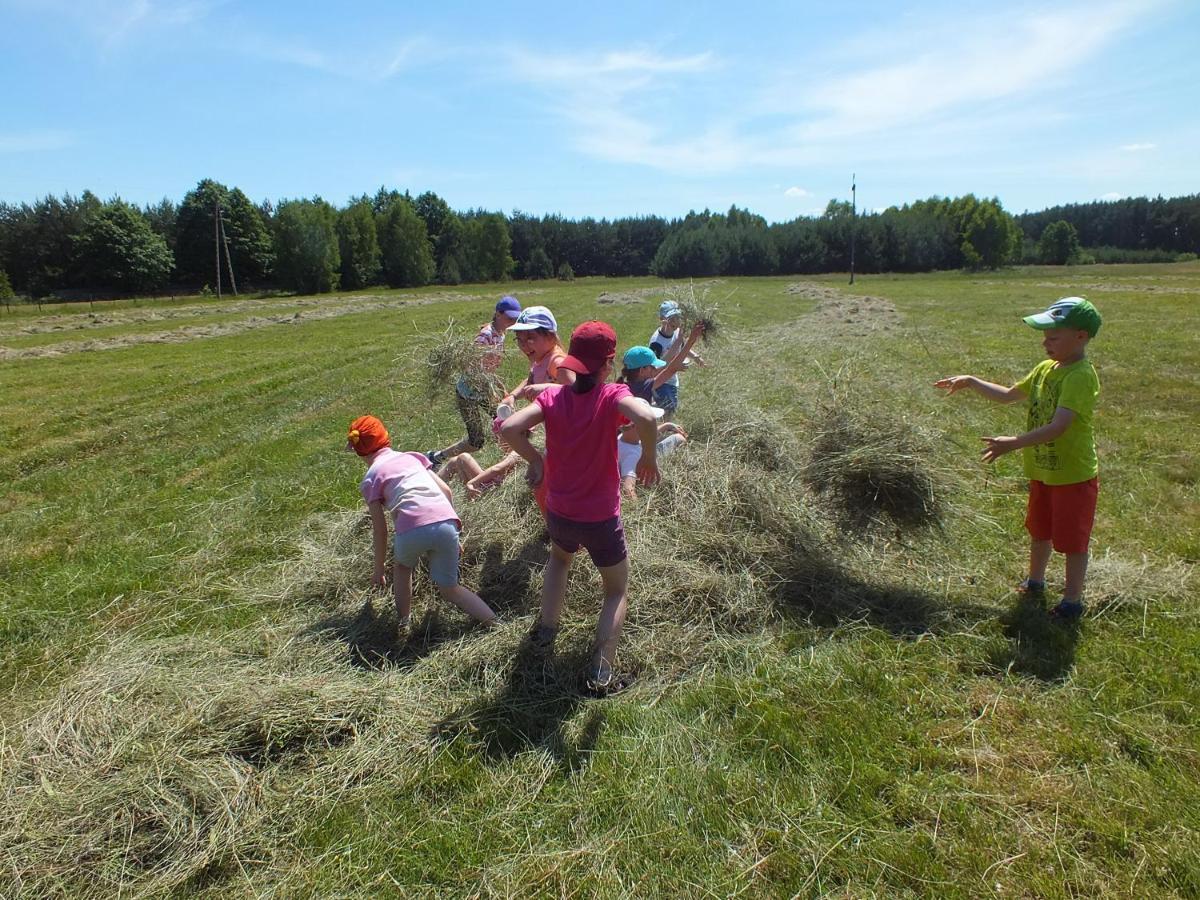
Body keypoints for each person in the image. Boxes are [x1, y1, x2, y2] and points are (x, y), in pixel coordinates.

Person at [501, 321, 661, 695]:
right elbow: (649, 417)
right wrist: (649, 458)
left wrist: (536, 460)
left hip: (560, 510)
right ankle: (602, 674)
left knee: (559, 561)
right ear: (607, 365)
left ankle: (545, 632)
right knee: (616, 590)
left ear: (571, 358)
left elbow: (509, 428)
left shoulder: (554, 398)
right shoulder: (611, 396)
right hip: (600, 517)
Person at [935, 297, 1102, 622]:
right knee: (1040, 530)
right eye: (1044, 336)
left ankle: (1071, 601)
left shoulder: (1080, 376)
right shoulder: (1045, 369)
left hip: (1072, 475)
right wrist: (970, 381)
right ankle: (1035, 581)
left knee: (1072, 540)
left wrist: (1014, 443)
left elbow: (1059, 426)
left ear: (1080, 336)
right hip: (1043, 470)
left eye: (1053, 337)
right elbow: (1011, 394)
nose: (1045, 342)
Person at [348, 415, 498, 631]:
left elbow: (380, 530)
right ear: (386, 438)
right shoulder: (412, 458)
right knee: (451, 589)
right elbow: (446, 490)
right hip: (446, 523)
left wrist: (379, 568)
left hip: (410, 530)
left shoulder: (371, 478)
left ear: (357, 451)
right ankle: (495, 622)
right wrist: (456, 533)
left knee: (402, 568)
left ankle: (404, 623)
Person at [463, 305, 572, 497]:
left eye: (531, 338)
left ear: (551, 336)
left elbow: (576, 391)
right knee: (504, 430)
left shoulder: (557, 361)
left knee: (520, 454)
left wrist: (546, 388)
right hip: (547, 426)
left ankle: (527, 466)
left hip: (561, 433)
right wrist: (513, 396)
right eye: (520, 340)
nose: (524, 345)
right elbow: (530, 380)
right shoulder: (540, 360)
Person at [427, 295, 521, 467]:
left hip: (484, 389)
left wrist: (500, 386)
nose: (512, 322)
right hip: (468, 393)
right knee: (476, 441)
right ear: (498, 314)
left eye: (515, 318)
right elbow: (469, 366)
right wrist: (491, 386)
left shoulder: (501, 333)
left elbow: (490, 367)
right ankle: (436, 457)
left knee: (505, 421)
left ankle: (509, 462)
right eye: (509, 318)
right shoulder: (485, 336)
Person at [648, 299, 705, 416]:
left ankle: (650, 406)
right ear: (662, 319)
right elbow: (655, 368)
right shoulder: (656, 343)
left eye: (677, 317)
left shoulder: (677, 332)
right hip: (660, 381)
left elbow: (683, 347)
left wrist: (695, 357)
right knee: (669, 409)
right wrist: (675, 366)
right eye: (671, 318)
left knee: (671, 406)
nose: (675, 321)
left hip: (672, 380)